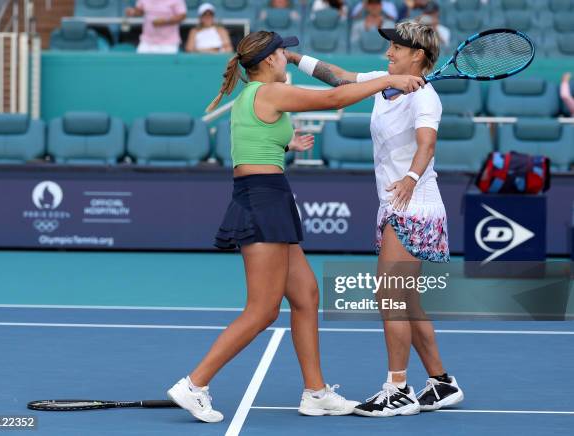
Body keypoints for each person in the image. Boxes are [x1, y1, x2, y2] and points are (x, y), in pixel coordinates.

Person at [166, 30, 424, 423]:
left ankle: (315, 392)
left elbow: (251, 142)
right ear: (269, 60)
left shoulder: (256, 97)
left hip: (271, 194)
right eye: (283, 52)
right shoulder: (268, 93)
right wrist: (390, 80)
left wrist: (287, 146)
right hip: (262, 200)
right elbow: (334, 98)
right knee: (263, 310)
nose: (286, 57)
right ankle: (194, 384)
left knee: (305, 295)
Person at [285, 20, 464, 417]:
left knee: (390, 296)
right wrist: (295, 58)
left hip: (412, 204)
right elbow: (340, 78)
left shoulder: (426, 99)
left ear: (417, 54)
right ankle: (441, 382)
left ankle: (397, 388)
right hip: (397, 202)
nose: (389, 53)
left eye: (396, 48)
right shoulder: (385, 82)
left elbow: (427, 143)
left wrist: (411, 178)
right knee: (407, 299)